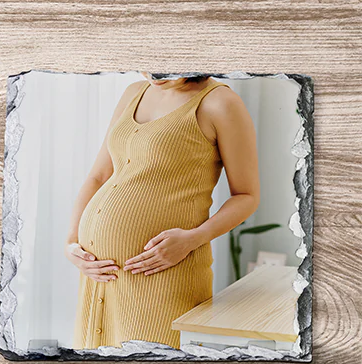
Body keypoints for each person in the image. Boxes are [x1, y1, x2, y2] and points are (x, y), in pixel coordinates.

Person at [65, 73, 259, 349]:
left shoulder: (220, 103)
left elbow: (247, 196)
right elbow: (99, 175)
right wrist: (71, 243)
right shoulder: (135, 91)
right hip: (100, 276)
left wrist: (194, 238)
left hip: (166, 273)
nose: (151, 74)